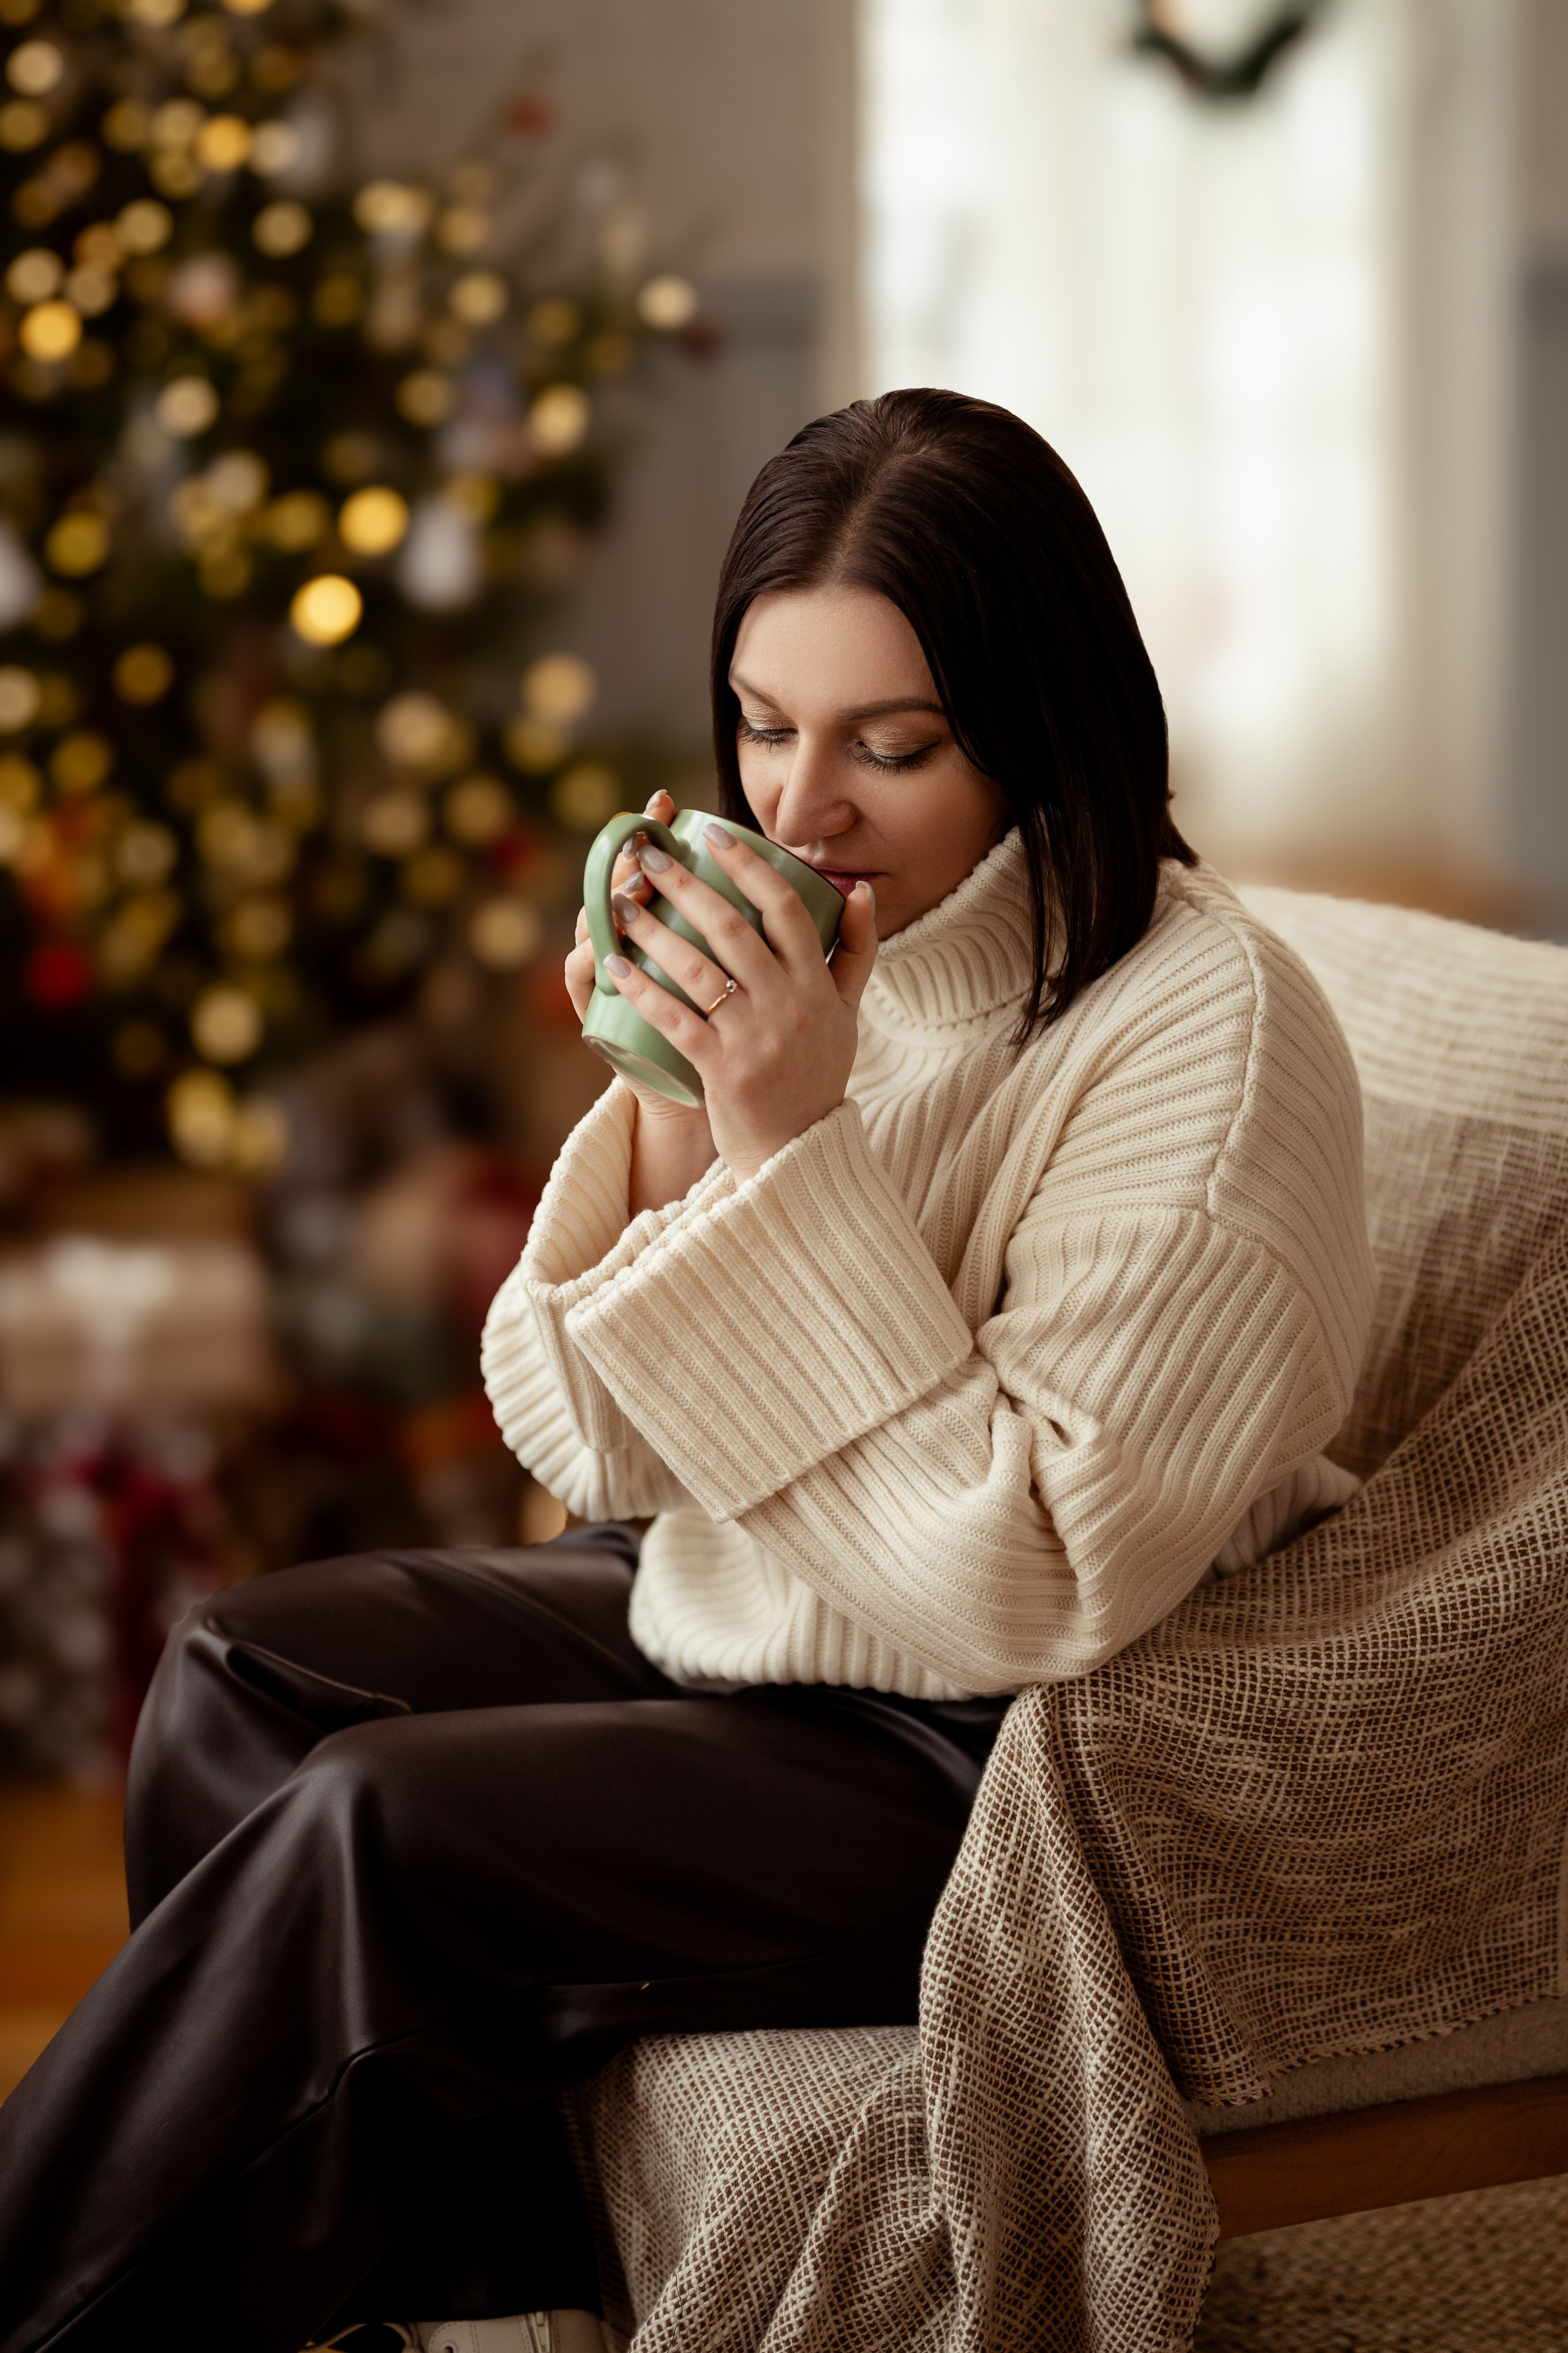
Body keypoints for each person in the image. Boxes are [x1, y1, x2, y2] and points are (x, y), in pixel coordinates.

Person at [0, 391, 1376, 2353]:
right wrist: (667, 1118)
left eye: (891, 745)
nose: (800, 809)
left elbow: (1036, 1584)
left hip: (1020, 1763)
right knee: (240, 1668)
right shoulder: (832, 964)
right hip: (783, 1607)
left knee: (373, 1831)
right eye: (762, 725)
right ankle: (490, 2311)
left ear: (1043, 726)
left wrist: (789, 1146)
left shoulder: (1210, 1043)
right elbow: (596, 1445)